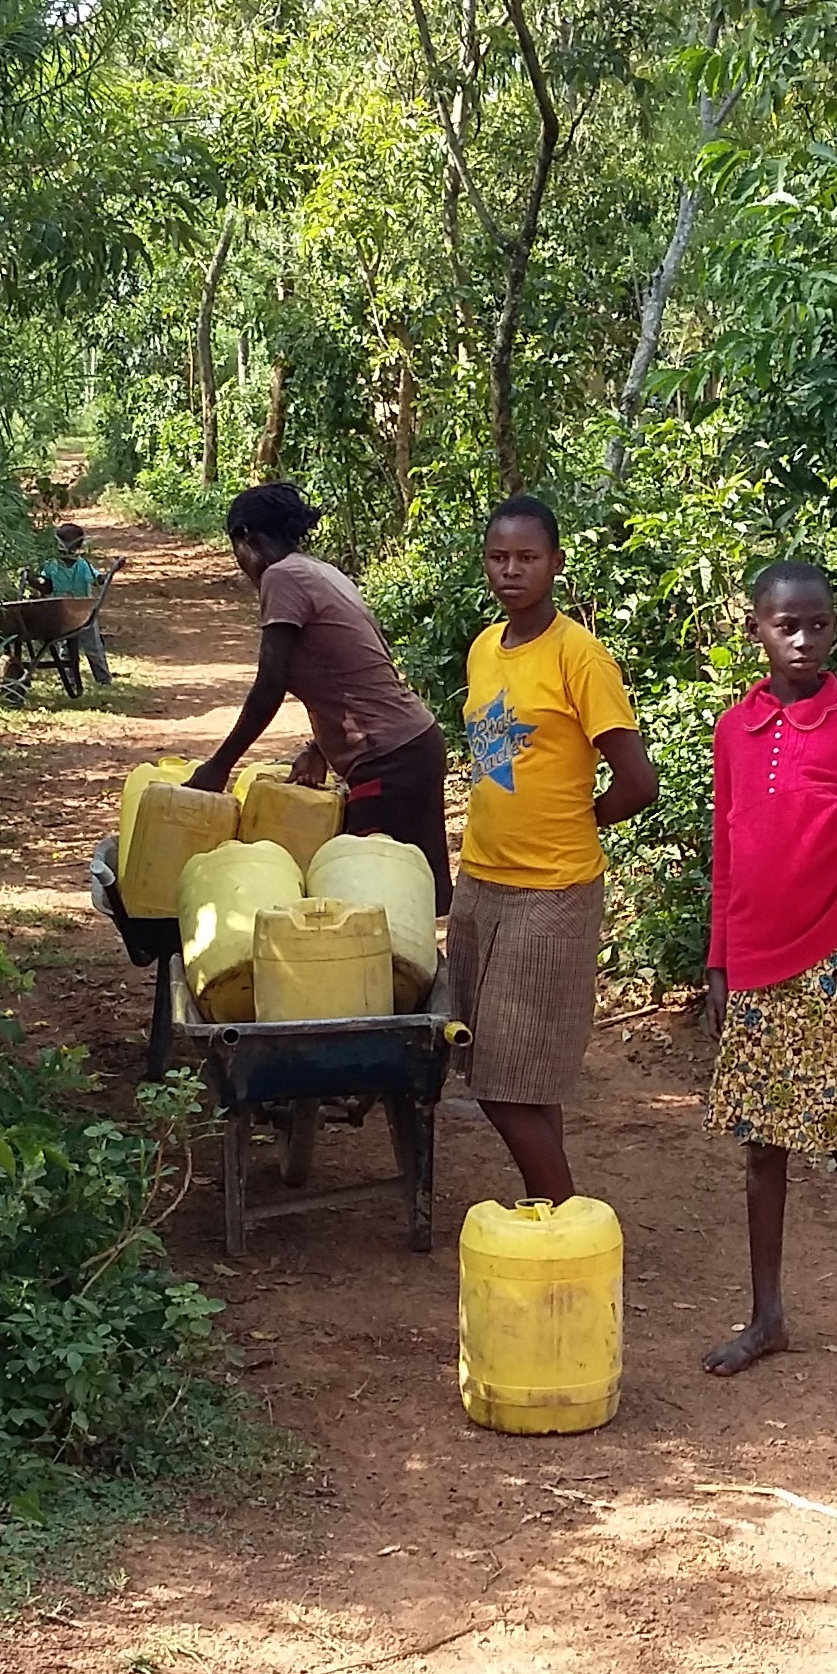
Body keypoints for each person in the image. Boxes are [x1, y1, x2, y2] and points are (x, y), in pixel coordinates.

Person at [701, 559, 837, 1387]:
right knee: (762, 1145)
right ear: (754, 627)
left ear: (834, 627)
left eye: (816, 623)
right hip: (751, 960)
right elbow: (725, 855)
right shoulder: (732, 729)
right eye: (784, 624)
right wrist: (716, 958)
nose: (801, 638)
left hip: (829, 958)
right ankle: (766, 1315)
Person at [449, 494, 658, 1204]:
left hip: (552, 891)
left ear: (555, 565)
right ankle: (549, 1213)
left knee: (502, 1085)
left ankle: (567, 1228)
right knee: (519, 1078)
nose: (510, 571)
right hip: (479, 882)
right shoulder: (483, 648)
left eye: (526, 558)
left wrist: (577, 822)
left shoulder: (579, 655)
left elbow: (637, 782)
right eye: (497, 557)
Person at [187, 483, 454, 912]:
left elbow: (270, 683)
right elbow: (354, 668)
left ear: (248, 539)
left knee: (369, 897)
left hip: (390, 760)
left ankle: (419, 978)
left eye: (236, 548)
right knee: (397, 894)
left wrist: (219, 765)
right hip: (411, 746)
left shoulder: (281, 578)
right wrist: (319, 748)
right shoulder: (320, 571)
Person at [37, 521, 115, 688]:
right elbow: (47, 586)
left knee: (93, 648)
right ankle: (70, 680)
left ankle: (103, 679)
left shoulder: (82, 565)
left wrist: (109, 573)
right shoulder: (51, 564)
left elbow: (97, 580)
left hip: (83, 611)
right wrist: (32, 580)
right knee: (66, 648)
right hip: (62, 612)